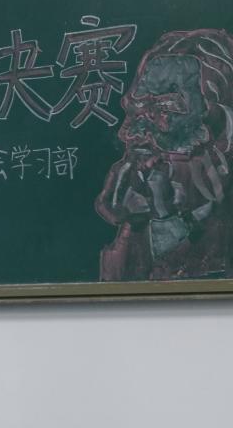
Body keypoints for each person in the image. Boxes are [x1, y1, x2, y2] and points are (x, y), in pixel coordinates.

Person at [97, 29, 233, 281]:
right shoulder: (136, 223)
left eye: (166, 107)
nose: (136, 133)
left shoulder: (220, 229)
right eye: (139, 109)